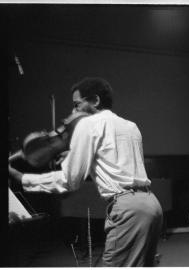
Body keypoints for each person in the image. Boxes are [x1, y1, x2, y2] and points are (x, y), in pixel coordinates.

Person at [8, 77, 163, 267]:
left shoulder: (87, 125)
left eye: (77, 105)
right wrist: (77, 155)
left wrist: (23, 178)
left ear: (95, 101)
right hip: (152, 205)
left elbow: (70, 180)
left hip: (128, 210)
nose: (73, 112)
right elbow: (114, 161)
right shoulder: (131, 126)